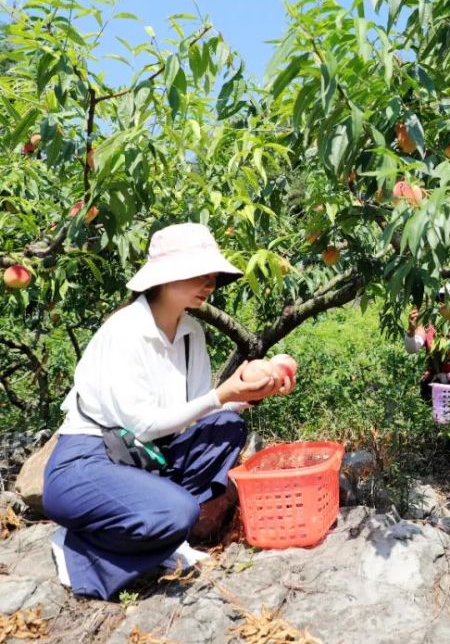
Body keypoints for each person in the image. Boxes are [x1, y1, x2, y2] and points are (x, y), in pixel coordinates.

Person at [43, 223, 296, 600]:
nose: (208, 284)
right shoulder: (125, 332)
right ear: (163, 278)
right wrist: (222, 393)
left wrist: (250, 392)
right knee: (177, 514)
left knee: (227, 427)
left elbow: (198, 412)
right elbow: (143, 425)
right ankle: (81, 547)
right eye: (198, 274)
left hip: (144, 458)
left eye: (211, 276)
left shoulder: (192, 333)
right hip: (87, 462)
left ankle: (153, 528)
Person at [404, 287, 450, 404]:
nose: (443, 304)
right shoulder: (429, 325)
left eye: (448, 300)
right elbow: (412, 348)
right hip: (436, 386)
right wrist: (411, 329)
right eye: (440, 300)